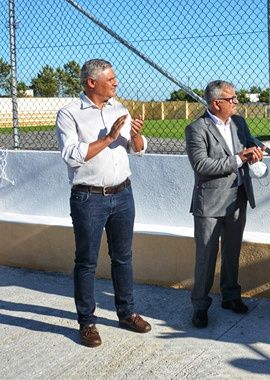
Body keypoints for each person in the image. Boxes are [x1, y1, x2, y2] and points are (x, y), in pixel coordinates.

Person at [55, 59, 152, 348]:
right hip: (88, 198)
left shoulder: (119, 108)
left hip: (123, 194)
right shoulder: (69, 114)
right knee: (86, 262)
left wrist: (134, 135)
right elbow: (71, 155)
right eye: (110, 79)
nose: (116, 83)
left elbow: (139, 151)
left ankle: (126, 313)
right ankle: (87, 323)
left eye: (115, 77)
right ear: (91, 82)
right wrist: (108, 137)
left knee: (123, 257)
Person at [185, 80, 264, 328]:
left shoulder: (238, 122)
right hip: (209, 203)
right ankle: (200, 306)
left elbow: (249, 141)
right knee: (206, 257)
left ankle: (231, 296)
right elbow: (202, 165)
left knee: (232, 252)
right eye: (232, 99)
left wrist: (257, 148)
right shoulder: (197, 129)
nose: (236, 102)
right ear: (216, 103)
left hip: (237, 198)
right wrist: (239, 159)